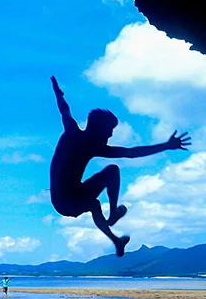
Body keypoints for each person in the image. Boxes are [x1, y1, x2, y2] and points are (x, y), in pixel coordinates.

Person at [49, 76, 191, 257]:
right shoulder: (91, 145)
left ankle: (116, 238)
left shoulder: (72, 130)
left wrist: (57, 93)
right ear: (98, 129)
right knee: (111, 174)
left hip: (60, 201)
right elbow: (131, 153)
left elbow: (64, 110)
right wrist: (166, 146)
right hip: (69, 200)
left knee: (94, 203)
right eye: (109, 131)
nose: (110, 135)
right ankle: (113, 214)